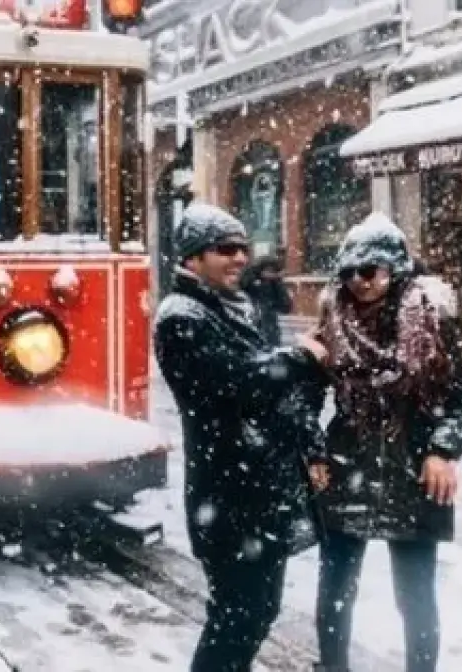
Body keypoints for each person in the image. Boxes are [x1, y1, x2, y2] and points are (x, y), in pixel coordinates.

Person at [152, 203, 327, 672]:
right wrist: (299, 358)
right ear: (192, 259)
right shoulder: (181, 316)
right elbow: (235, 381)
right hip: (228, 498)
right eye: (225, 249)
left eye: (243, 248)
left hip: (257, 494)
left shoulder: (236, 308)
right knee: (236, 618)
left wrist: (310, 445)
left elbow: (272, 393)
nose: (239, 258)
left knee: (256, 612)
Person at [308, 213, 462, 672]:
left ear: (396, 268)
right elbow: (302, 402)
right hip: (348, 465)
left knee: (416, 596)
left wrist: (443, 449)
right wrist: (314, 450)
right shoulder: (332, 319)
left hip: (412, 469)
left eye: (370, 271)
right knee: (336, 591)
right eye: (349, 272)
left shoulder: (431, 322)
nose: (360, 282)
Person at [240, 252, 292, 346]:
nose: (269, 273)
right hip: (251, 325)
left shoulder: (274, 283)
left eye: (272, 270)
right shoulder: (250, 280)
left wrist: (277, 283)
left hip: (270, 329)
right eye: (267, 269)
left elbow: (286, 307)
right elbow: (243, 283)